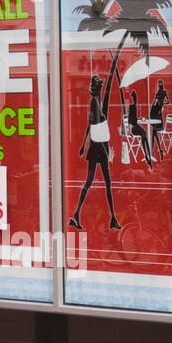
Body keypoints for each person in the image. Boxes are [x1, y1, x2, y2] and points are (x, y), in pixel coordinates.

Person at [69, 70, 121, 231]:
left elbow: (90, 125)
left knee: (96, 182)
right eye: (99, 85)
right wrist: (85, 146)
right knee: (102, 182)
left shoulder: (96, 100)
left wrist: (83, 145)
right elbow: (93, 125)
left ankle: (81, 213)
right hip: (97, 147)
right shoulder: (94, 101)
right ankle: (109, 217)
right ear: (96, 87)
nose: (100, 86)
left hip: (97, 146)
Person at [127, 89, 153, 169]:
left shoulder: (134, 106)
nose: (136, 99)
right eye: (135, 98)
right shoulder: (132, 106)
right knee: (144, 134)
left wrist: (140, 118)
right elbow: (130, 120)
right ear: (133, 98)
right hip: (134, 128)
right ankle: (147, 156)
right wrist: (130, 131)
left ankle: (147, 156)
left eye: (136, 98)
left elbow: (133, 118)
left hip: (135, 125)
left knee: (144, 135)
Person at [149, 79, 168, 163]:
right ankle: (158, 151)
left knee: (154, 133)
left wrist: (152, 107)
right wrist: (163, 105)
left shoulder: (158, 93)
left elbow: (155, 102)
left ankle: (153, 152)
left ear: (158, 85)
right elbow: (167, 101)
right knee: (154, 133)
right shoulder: (164, 92)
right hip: (159, 113)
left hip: (155, 112)